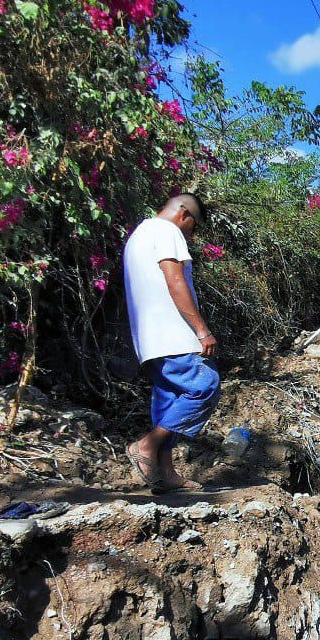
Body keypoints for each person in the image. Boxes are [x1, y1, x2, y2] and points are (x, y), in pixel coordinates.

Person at [123, 193, 220, 494]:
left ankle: (165, 474)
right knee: (205, 385)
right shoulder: (167, 231)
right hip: (174, 334)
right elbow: (175, 280)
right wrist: (201, 330)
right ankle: (146, 446)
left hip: (150, 340)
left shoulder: (139, 234)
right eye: (193, 228)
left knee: (168, 400)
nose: (191, 235)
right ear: (184, 215)